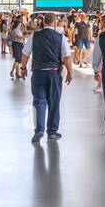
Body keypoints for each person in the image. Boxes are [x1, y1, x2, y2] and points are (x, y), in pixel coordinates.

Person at [22, 12, 73, 142]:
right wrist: (70, 72)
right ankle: (52, 131)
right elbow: (66, 57)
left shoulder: (34, 36)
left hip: (38, 73)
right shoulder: (60, 37)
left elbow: (25, 54)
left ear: (43, 22)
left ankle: (39, 129)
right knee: (54, 103)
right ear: (55, 23)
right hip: (54, 74)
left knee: (39, 102)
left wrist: (23, 69)